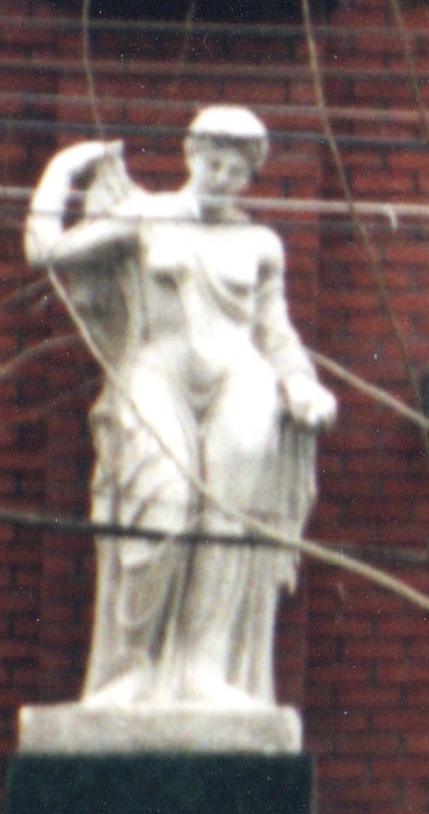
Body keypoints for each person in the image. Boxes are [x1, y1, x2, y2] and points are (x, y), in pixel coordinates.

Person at [23, 106, 336, 710]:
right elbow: (47, 252)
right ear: (191, 155)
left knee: (228, 523)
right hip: (156, 373)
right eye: (214, 160)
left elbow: (275, 331)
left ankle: (202, 669)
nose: (223, 175)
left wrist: (299, 382)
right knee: (159, 511)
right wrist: (65, 169)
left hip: (241, 381)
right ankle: (131, 669)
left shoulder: (260, 243)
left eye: (238, 168)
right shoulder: (146, 216)